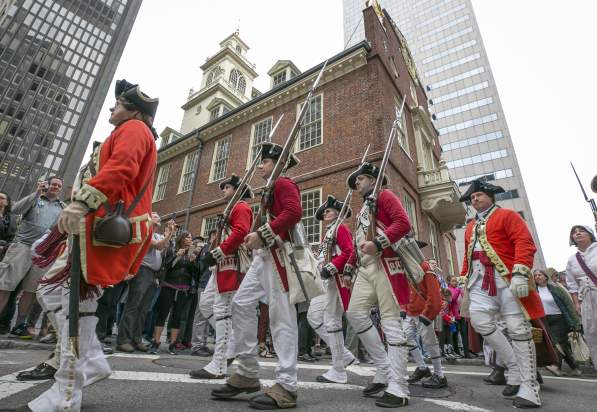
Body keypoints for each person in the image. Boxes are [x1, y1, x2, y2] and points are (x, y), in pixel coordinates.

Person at [17, 79, 158, 412]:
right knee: (65, 295)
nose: (112, 108)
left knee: (65, 296)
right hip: (99, 226)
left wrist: (82, 202)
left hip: (105, 227)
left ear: (133, 110)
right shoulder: (128, 130)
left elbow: (122, 168)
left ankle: (67, 393)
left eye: (118, 104)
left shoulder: (135, 128)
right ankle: (91, 360)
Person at [211, 142, 303, 410]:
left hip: (279, 254)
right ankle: (248, 372)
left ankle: (287, 385)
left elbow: (294, 213)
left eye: (264, 161)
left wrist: (261, 233)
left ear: (277, 163)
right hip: (264, 255)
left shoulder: (284, 183)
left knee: (282, 318)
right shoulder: (271, 188)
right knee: (240, 304)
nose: (260, 165)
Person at [459, 179, 543, 409]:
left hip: (505, 278)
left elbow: (524, 242)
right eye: (472, 197)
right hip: (479, 280)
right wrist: (463, 276)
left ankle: (529, 387)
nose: (475, 199)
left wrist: (520, 272)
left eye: (479, 195)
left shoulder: (508, 216)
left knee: (518, 329)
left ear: (490, 196)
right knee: (479, 321)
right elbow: (468, 256)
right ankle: (514, 367)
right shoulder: (469, 226)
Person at [343, 162, 412, 408]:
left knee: (391, 323)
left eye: (361, 179)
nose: (357, 184)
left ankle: (399, 386)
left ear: (373, 179)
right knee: (355, 314)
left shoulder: (385, 195)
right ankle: (383, 370)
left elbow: (403, 224)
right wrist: (349, 267)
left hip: (385, 263)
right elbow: (358, 241)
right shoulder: (364, 208)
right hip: (365, 267)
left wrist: (380, 243)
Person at [190, 174, 253, 379]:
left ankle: (218, 364)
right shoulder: (230, 209)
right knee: (207, 305)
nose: (223, 190)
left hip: (231, 264)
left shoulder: (241, 207)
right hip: (221, 265)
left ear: (236, 190)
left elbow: (241, 231)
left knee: (222, 309)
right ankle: (231, 343)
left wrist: (217, 253)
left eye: (227, 187)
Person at [0, 178, 65, 338]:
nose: (56, 187)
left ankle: (19, 325)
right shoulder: (35, 198)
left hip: (42, 253)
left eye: (59, 185)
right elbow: (15, 209)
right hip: (21, 247)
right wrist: (36, 192)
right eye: (53, 184)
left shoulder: (63, 207)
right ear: (47, 185)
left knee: (30, 290)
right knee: (5, 286)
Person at [306, 195, 356, 384]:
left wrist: (331, 267)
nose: (325, 213)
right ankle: (344, 355)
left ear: (337, 213)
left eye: (328, 210)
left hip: (334, 279)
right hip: (324, 281)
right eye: (325, 211)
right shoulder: (328, 232)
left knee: (332, 322)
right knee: (313, 317)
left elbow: (349, 251)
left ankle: (338, 369)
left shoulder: (340, 228)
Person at [116, 213, 173, 352]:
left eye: (159, 216)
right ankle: (123, 340)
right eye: (154, 215)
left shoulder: (159, 235)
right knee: (133, 305)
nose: (158, 217)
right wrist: (170, 233)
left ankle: (136, 339)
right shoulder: (145, 232)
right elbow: (158, 246)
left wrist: (167, 236)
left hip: (154, 274)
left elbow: (164, 249)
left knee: (144, 309)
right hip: (142, 271)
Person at [149, 231, 198, 355]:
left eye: (191, 237)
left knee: (177, 316)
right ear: (181, 239)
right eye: (188, 237)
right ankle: (156, 341)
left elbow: (196, 274)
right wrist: (177, 256)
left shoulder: (192, 253)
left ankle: (173, 344)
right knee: (162, 314)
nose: (190, 239)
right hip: (169, 286)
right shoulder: (172, 250)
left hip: (183, 289)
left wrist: (193, 263)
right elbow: (167, 266)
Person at [404, 252, 446, 389]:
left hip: (423, 311)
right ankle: (422, 368)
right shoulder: (406, 265)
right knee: (406, 337)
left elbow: (434, 293)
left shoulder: (425, 267)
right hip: (411, 310)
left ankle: (440, 375)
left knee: (430, 342)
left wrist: (428, 312)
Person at [533, 269, 582, 376]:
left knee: (557, 342)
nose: (537, 277)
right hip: (544, 320)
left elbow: (568, 305)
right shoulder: (534, 291)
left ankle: (555, 366)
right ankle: (575, 368)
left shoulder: (556, 289)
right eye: (535, 275)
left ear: (546, 277)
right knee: (561, 344)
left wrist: (575, 322)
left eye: (539, 275)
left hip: (559, 319)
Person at [565, 225, 597, 370]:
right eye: (574, 233)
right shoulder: (572, 259)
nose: (577, 234)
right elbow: (572, 284)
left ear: (590, 234)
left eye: (581, 231)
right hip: (586, 299)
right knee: (592, 334)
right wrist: (577, 303)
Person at [190, 231, 215, 356]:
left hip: (211, 285)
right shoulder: (205, 249)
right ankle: (197, 345)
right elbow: (201, 266)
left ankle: (203, 343)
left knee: (208, 315)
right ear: (212, 236)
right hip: (205, 284)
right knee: (201, 316)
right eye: (215, 235)